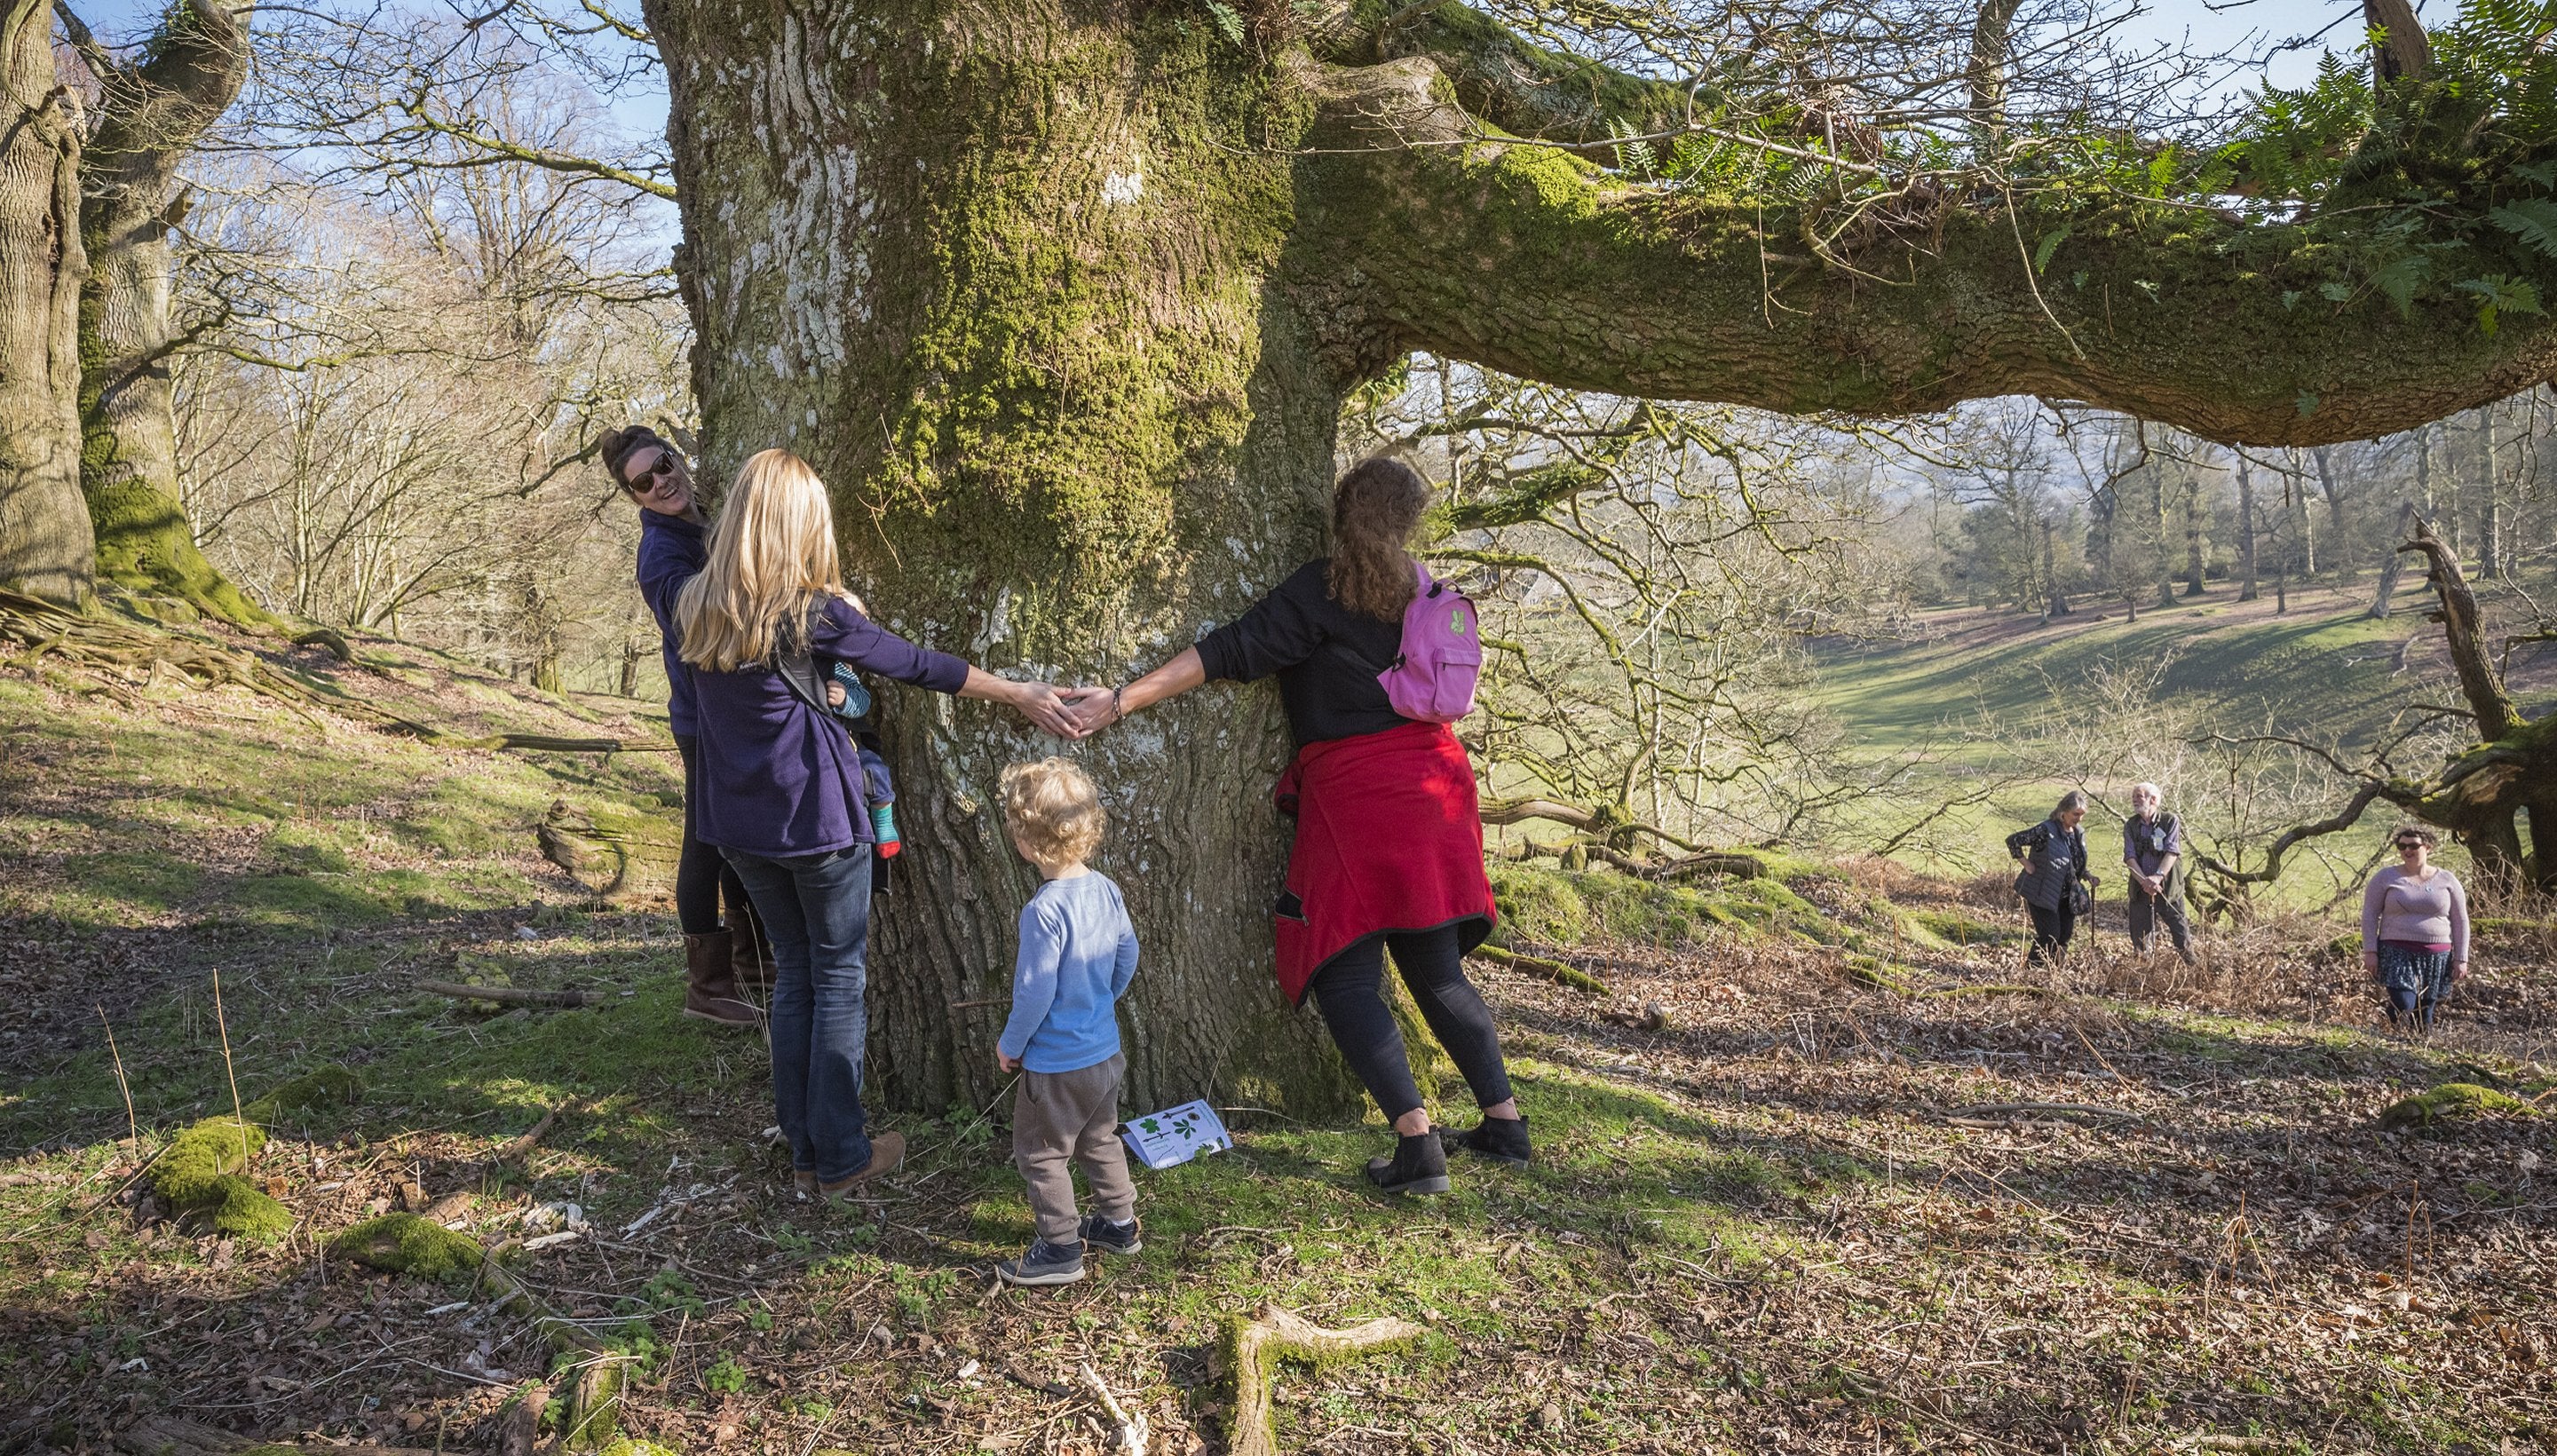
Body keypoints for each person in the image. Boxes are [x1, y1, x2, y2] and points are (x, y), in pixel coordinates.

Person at [1064, 456, 1521, 1197]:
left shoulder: (1323, 590)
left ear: (1338, 514)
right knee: (1436, 969)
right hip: (1438, 786)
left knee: (1342, 973)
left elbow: (1225, 652)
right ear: (1411, 523)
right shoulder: (1426, 589)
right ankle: (1505, 1123)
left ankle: (1418, 1147)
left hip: (1361, 798)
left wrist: (1120, 700)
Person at [672, 448, 1083, 1198]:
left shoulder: (697, 604)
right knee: (835, 978)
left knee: (795, 974)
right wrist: (1018, 692)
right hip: (814, 822)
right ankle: (840, 1156)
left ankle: (805, 1148)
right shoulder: (810, 614)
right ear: (801, 527)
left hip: (736, 824)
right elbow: (919, 664)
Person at [604, 424, 762, 1028]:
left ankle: (754, 967)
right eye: (642, 482)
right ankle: (709, 985)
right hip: (703, 719)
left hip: (733, 711)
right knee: (705, 840)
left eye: (662, 466)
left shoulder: (704, 520)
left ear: (677, 459)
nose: (660, 482)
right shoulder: (661, 552)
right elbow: (691, 618)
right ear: (635, 496)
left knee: (741, 835)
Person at [990, 758, 1142, 1287]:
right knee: (1101, 1138)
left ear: (1026, 843)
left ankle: (1059, 1248)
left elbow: (1034, 992)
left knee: (1042, 1152)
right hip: (1104, 1052)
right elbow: (1128, 953)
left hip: (1056, 1064)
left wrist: (1011, 1044)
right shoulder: (1105, 889)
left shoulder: (1043, 910)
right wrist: (1103, 999)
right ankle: (1120, 1223)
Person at [2361, 826, 2470, 1033]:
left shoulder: (2447, 880)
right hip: (2396, 951)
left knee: (2425, 1011)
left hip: (2437, 955)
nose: (2406, 850)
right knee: (2404, 1002)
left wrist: (2461, 958)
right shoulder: (2385, 877)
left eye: (2413, 846)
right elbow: (2369, 915)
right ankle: (2386, 1034)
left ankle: (2420, 1052)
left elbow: (2461, 920)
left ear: (2427, 847)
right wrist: (2370, 951)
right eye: (2402, 846)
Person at [2007, 791, 2096, 969]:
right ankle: (2031, 973)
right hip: (2042, 891)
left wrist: (2087, 875)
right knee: (2050, 935)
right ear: (2063, 812)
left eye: (2082, 815)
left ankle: (2055, 974)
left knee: (2064, 936)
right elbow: (2013, 840)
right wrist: (2026, 864)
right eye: (2076, 814)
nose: (2079, 819)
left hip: (2066, 895)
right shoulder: (2045, 830)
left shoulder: (2078, 832)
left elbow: (2073, 861)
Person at [2120, 781, 2195, 964]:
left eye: (2139, 796)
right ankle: (2144, 975)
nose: (2134, 800)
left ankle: (2193, 971)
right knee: (2140, 938)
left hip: (2168, 889)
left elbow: (2172, 852)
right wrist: (2144, 882)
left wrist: (2158, 877)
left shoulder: (2170, 821)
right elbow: (2129, 856)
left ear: (2153, 799)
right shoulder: (2131, 825)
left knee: (2181, 934)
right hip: (2140, 890)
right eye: (2133, 797)